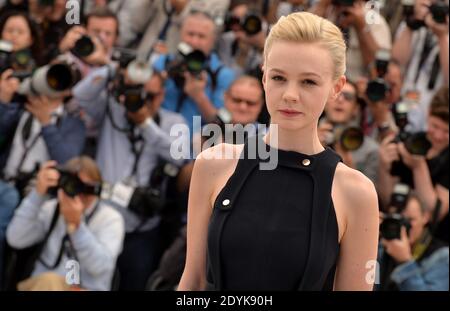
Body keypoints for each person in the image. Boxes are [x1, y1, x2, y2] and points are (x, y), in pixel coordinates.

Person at [178, 12, 379, 291]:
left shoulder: (357, 193)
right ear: (263, 77)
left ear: (337, 87)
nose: (290, 95)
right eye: (279, 77)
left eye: (308, 82)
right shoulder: (214, 163)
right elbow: (193, 282)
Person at [6, 157, 125, 291]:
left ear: (97, 188)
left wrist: (78, 227)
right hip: (43, 285)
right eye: (72, 184)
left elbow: (101, 267)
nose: (78, 193)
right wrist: (37, 196)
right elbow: (15, 239)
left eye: (86, 188)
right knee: (50, 281)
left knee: (52, 281)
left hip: (84, 288)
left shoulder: (110, 219)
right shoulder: (51, 209)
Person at [378, 86, 449, 244]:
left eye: (447, 131)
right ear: (428, 113)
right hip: (397, 234)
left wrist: (418, 166)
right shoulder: (411, 141)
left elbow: (436, 212)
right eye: (435, 126)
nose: (438, 136)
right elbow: (388, 198)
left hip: (438, 245)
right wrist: (384, 165)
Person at [153, 11, 236, 137]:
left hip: (193, 148)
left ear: (212, 41)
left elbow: (223, 124)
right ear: (181, 34)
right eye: (190, 34)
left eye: (201, 36)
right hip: (157, 136)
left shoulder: (223, 75)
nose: (194, 41)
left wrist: (199, 97)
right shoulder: (163, 63)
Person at [378, 191, 449, 291]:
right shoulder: (382, 246)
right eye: (397, 221)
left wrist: (404, 262)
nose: (403, 227)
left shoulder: (442, 256)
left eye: (410, 220)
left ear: (425, 217)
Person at [319, 80, 379, 183]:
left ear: (356, 108)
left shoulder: (370, 150)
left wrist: (349, 169)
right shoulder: (301, 136)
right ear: (324, 102)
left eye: (348, 97)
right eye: (335, 94)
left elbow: (367, 197)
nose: (340, 100)